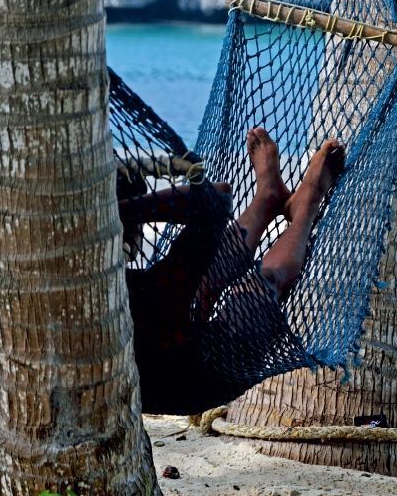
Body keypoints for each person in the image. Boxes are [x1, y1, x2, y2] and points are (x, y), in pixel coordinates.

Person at [117, 129, 345, 413]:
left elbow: (217, 199)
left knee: (205, 276)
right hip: (205, 378)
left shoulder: (115, 284)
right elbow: (216, 196)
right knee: (258, 287)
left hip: (167, 347)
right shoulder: (144, 294)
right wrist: (121, 211)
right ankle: (306, 206)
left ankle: (267, 198)